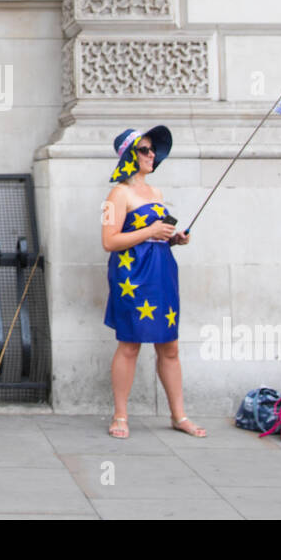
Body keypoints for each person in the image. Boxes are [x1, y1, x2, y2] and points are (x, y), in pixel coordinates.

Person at [100, 126, 204, 439]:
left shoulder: (156, 193)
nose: (151, 155)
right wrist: (149, 232)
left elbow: (154, 236)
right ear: (130, 156)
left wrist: (172, 239)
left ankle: (179, 415)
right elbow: (109, 240)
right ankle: (120, 415)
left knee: (169, 346)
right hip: (132, 277)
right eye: (144, 150)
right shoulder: (117, 194)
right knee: (129, 344)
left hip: (161, 274)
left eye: (152, 150)